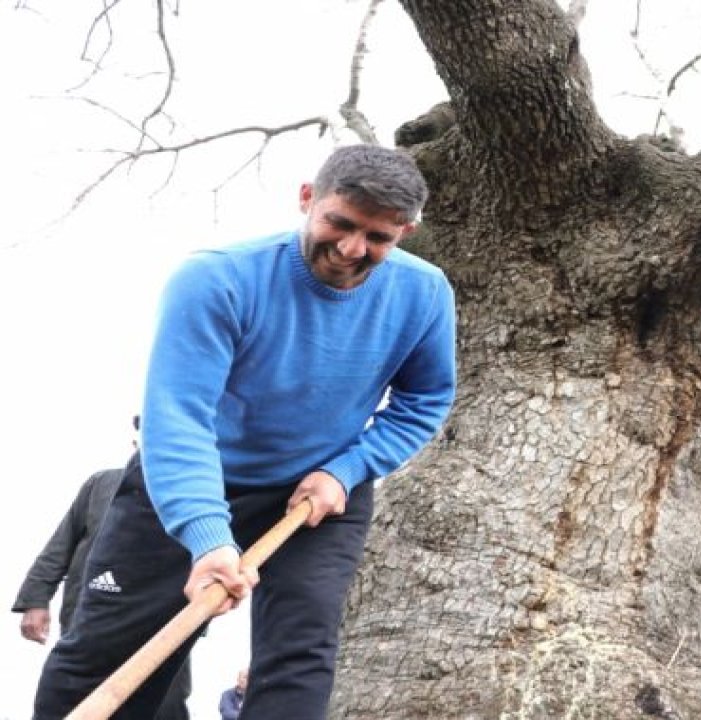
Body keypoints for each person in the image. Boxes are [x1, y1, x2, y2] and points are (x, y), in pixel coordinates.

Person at [33, 144, 458, 719]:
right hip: (191, 482)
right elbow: (178, 418)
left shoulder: (424, 292)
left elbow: (425, 397)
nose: (353, 249)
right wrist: (208, 538)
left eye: (378, 238)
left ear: (403, 232)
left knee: (299, 655)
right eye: (340, 222)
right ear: (308, 198)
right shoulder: (218, 278)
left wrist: (348, 470)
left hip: (319, 491)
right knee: (108, 656)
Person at [14, 421, 192, 719]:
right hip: (93, 611)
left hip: (165, 621)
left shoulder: (196, 492)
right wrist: (35, 599)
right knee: (73, 694)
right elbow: (61, 544)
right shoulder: (101, 483)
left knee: (166, 702)